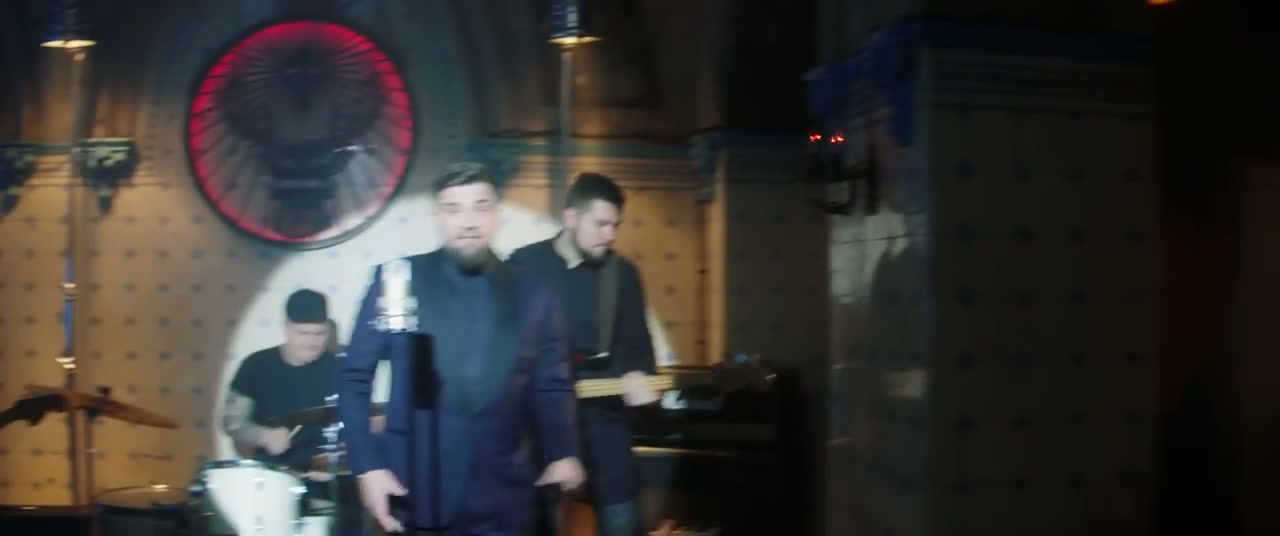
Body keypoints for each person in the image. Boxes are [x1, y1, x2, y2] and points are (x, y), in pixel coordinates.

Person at [336, 162, 585, 535]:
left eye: (480, 207)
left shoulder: (535, 293)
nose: (468, 221)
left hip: (509, 497)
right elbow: (355, 377)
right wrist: (368, 466)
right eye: (453, 209)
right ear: (437, 217)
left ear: (497, 215)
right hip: (418, 489)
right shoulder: (397, 280)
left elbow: (553, 383)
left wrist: (563, 450)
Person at [508, 173, 659, 536]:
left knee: (622, 518)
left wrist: (639, 380)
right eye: (600, 224)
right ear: (570, 217)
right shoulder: (524, 265)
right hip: (539, 420)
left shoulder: (621, 274)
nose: (610, 235)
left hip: (602, 415)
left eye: (615, 226)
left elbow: (638, 349)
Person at [220, 289, 366, 535]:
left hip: (327, 486)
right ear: (286, 329)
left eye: (319, 333)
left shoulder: (341, 369)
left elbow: (361, 428)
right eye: (303, 333)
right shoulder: (256, 365)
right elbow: (232, 421)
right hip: (273, 486)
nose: (312, 342)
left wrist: (339, 462)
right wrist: (263, 436)